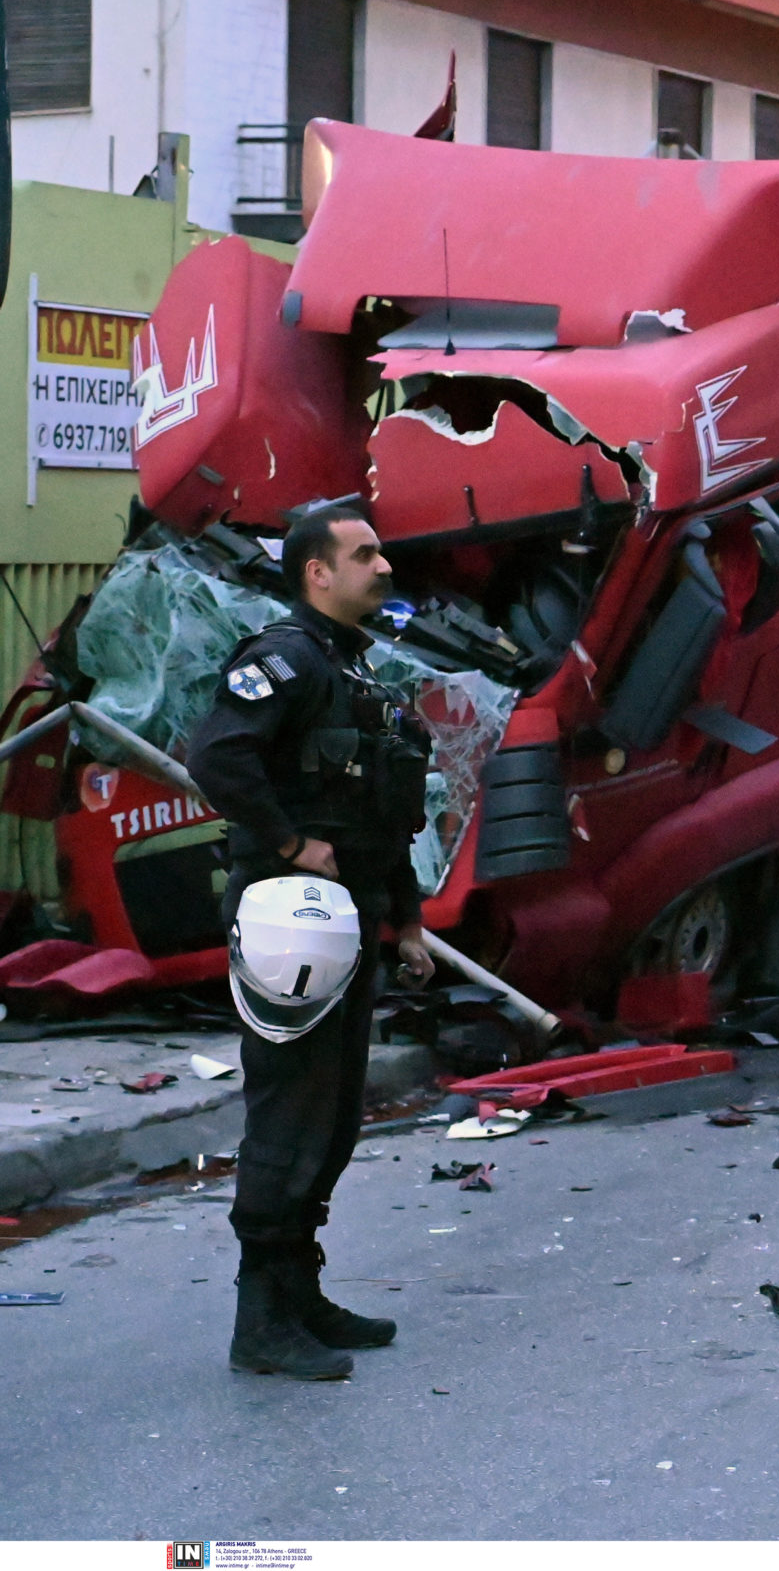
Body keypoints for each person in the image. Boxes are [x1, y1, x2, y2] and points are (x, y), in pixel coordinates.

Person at [186, 506, 436, 1380]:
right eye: (363, 552)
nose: (384, 564)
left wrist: (406, 920)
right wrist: (291, 843)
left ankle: (300, 1292)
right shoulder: (285, 660)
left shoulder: (354, 671)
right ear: (315, 573)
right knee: (290, 1111)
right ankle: (260, 1319)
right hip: (291, 918)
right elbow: (217, 757)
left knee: (330, 1117)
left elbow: (383, 814)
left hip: (354, 916)